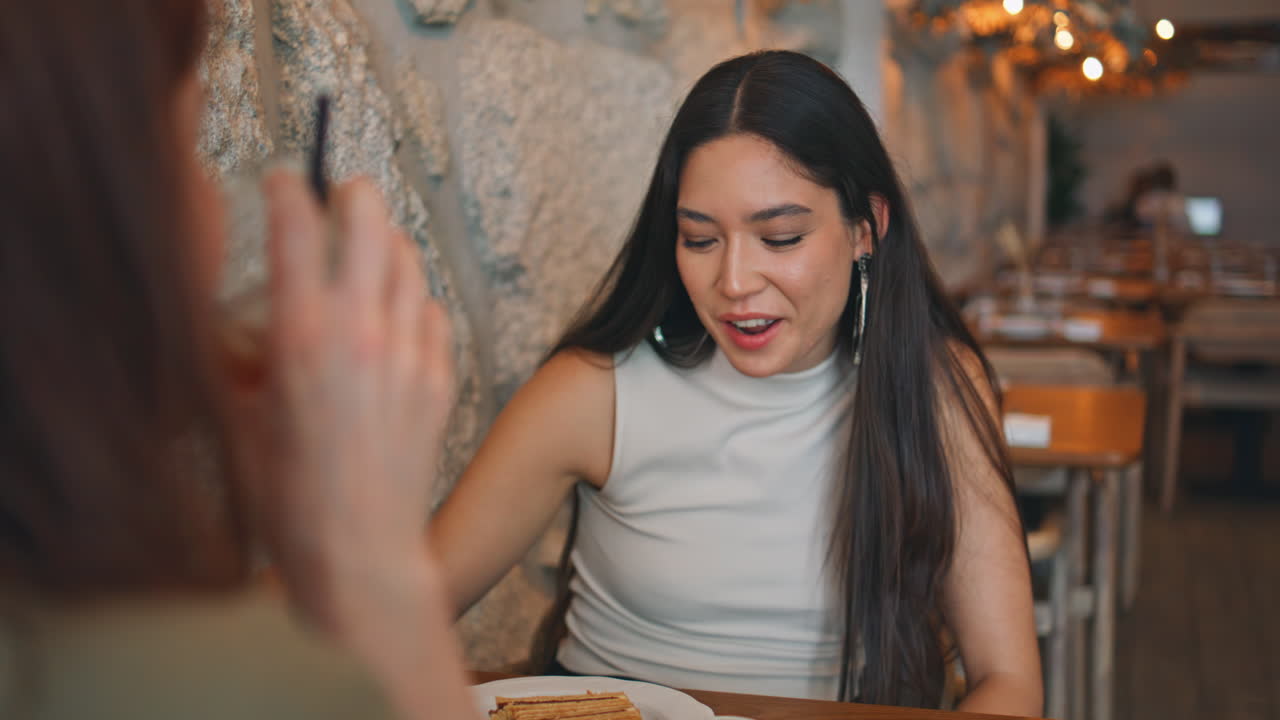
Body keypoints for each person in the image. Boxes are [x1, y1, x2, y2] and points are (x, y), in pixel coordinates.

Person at [430, 51, 1042, 714]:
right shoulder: (593, 392)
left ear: (866, 229)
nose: (734, 283)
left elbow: (1008, 682)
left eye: (779, 237)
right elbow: (395, 617)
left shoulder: (935, 389)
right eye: (699, 240)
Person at [0, 1, 476, 718]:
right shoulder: (208, 683)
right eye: (188, 148)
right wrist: (373, 570)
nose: (218, 217)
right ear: (83, 209)